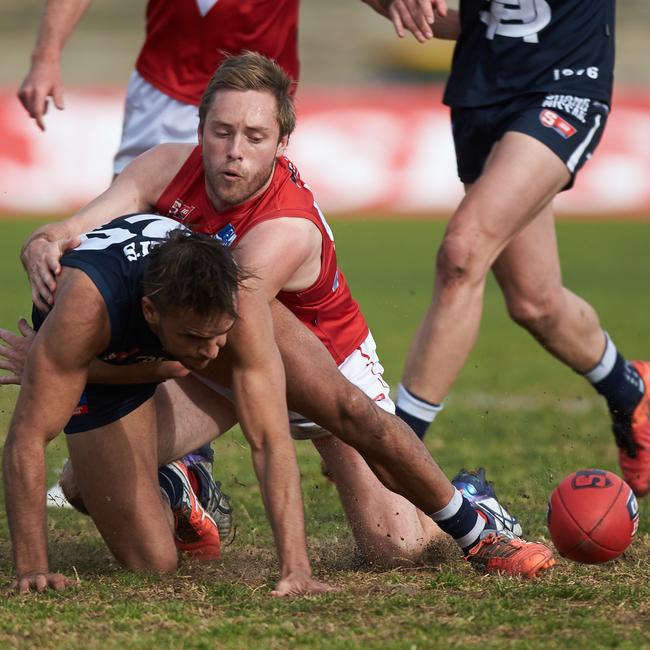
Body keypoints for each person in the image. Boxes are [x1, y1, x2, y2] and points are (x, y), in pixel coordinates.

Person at [18, 52, 555, 585]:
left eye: (254, 137)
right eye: (221, 132)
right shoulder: (165, 165)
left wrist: (65, 363)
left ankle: (473, 518)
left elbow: (211, 344)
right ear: (200, 127)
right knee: (87, 484)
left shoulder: (284, 229)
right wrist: (43, 244)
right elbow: (81, 228)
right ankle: (185, 482)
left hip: (320, 360)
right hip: (216, 354)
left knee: (394, 547)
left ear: (280, 145)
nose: (233, 153)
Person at [368, 1, 650, 497]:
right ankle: (633, 392)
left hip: (564, 84)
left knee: (462, 252)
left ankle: (399, 447)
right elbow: (460, 19)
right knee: (535, 301)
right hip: (482, 92)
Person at [4, 218, 334, 596]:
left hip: (155, 351)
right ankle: (172, 483)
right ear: (150, 311)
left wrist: (296, 569)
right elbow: (26, 438)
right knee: (152, 560)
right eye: (196, 337)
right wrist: (32, 568)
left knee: (272, 387)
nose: (213, 352)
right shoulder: (85, 308)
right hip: (98, 363)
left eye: (219, 335)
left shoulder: (236, 298)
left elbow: (270, 441)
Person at [17, 0, 300, 175]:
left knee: (247, 233)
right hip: (164, 91)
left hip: (256, 105)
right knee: (128, 225)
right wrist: (45, 57)